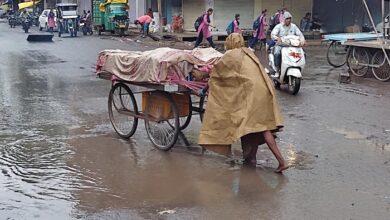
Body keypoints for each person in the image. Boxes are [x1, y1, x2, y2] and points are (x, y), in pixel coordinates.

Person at [199, 33, 289, 173]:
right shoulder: (248, 52)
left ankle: (282, 161)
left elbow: (218, 71)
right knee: (258, 125)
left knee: (261, 127)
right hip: (264, 90)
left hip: (253, 93)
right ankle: (251, 157)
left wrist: (204, 77)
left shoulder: (232, 55)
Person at [270, 11, 305, 76]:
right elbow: (273, 34)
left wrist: (303, 41)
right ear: (284, 19)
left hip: (292, 46)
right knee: (277, 53)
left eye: (289, 18)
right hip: (281, 45)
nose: (288, 20)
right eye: (287, 19)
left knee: (303, 53)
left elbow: (300, 35)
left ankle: (299, 67)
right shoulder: (279, 26)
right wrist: (278, 38)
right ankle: (277, 70)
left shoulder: (294, 26)